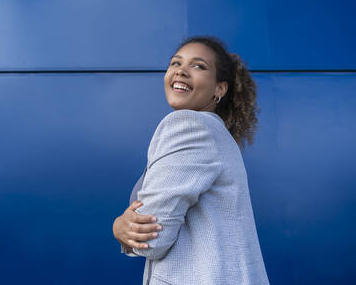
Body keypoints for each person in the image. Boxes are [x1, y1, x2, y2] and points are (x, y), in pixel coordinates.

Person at [112, 36, 269, 284]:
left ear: (220, 89)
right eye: (176, 63)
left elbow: (152, 241)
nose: (181, 71)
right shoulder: (215, 133)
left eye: (198, 66)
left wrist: (119, 228)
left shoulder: (188, 125)